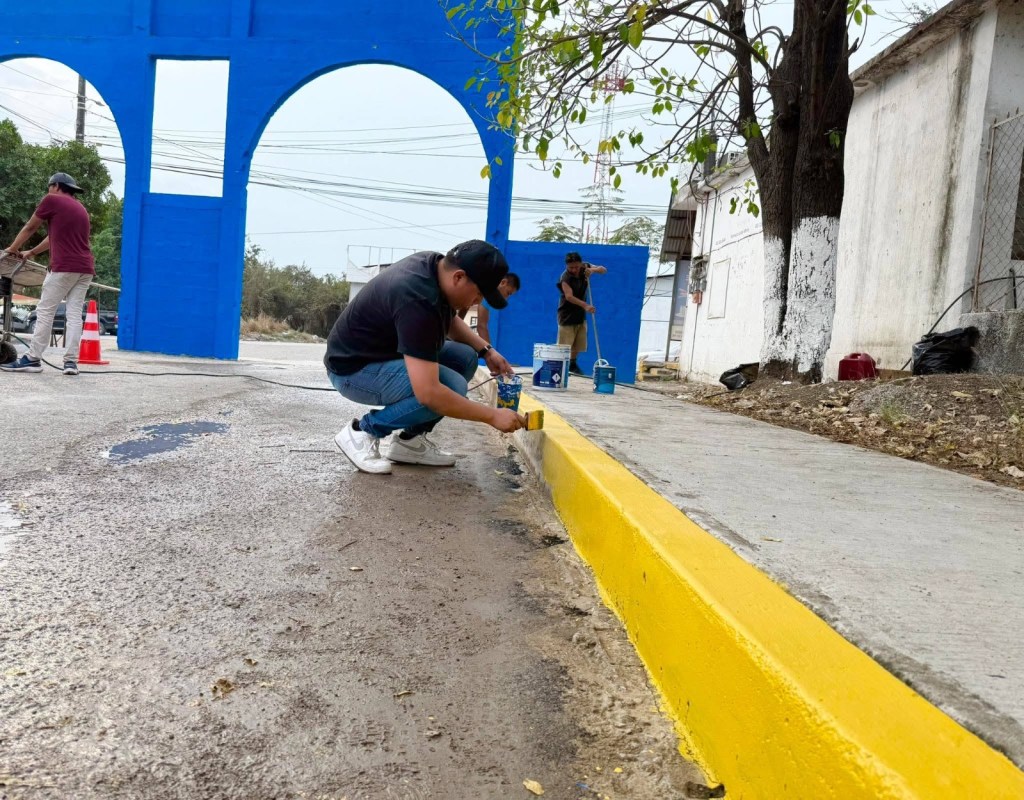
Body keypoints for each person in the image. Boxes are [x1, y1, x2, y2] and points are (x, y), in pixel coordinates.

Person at [325, 240, 526, 475]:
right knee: (451, 386)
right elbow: (429, 393)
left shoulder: (435, 267)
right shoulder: (417, 298)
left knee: (465, 358)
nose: (478, 301)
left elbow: (448, 320)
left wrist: (487, 350)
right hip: (354, 370)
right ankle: (363, 431)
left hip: (383, 353)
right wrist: (492, 416)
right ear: (459, 277)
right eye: (479, 293)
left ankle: (409, 441)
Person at [1, 172, 95, 376]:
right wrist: (31, 252)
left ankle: (32, 359)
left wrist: (12, 248)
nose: (48, 190)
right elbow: (54, 237)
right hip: (85, 268)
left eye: (49, 186)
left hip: (64, 267)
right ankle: (70, 363)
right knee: (73, 314)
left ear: (56, 185)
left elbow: (30, 226)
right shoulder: (80, 208)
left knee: (45, 311)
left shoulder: (52, 199)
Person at [557, 251, 607, 375]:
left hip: (580, 313)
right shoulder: (565, 277)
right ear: (566, 266)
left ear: (580, 263)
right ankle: (561, 367)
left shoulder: (585, 267)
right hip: (566, 313)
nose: (574, 270)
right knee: (565, 344)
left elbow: (603, 269)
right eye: (571, 267)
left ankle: (573, 365)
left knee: (578, 343)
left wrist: (593, 271)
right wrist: (585, 305)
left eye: (576, 267)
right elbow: (569, 296)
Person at [475, 272, 519, 345]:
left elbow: (482, 325)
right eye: (508, 293)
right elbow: (481, 326)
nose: (506, 298)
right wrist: (490, 353)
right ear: (503, 282)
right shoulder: (484, 286)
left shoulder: (487, 297)